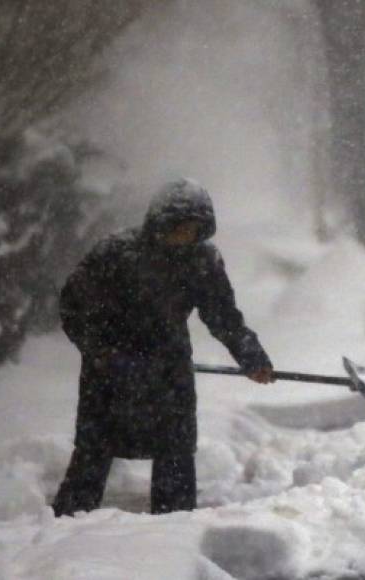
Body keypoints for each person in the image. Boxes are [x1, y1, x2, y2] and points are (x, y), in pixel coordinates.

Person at [52, 178, 274, 516]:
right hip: (110, 373)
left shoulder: (202, 260)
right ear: (160, 222)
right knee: (94, 451)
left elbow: (223, 316)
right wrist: (101, 351)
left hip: (169, 371)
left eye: (194, 229)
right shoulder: (115, 252)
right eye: (179, 227)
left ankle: (174, 530)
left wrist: (251, 357)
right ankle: (65, 524)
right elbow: (73, 306)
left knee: (175, 453)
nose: (185, 236)